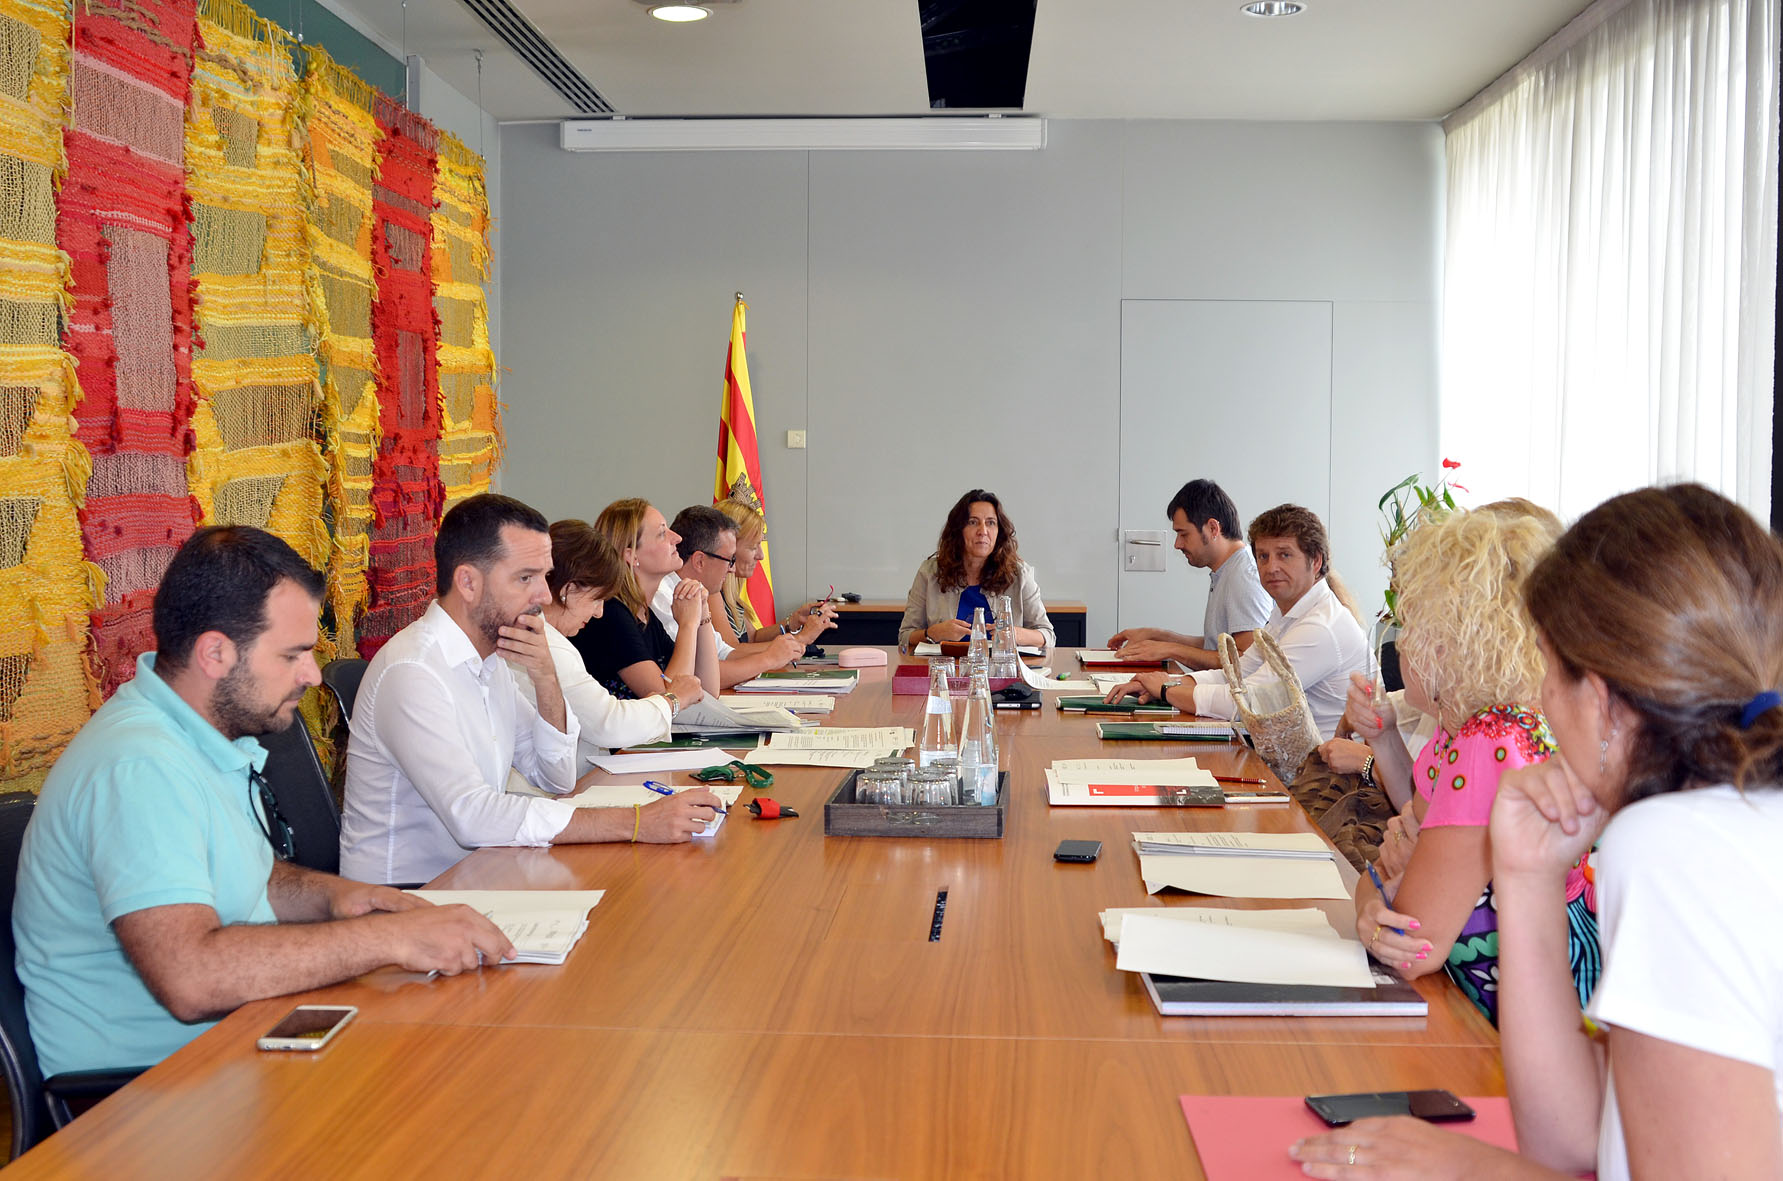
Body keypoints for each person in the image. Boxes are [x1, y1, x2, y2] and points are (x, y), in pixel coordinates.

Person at [1291, 484, 1783, 1180]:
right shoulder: (1704, 821)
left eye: (1548, 666)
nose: (1538, 696)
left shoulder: (1678, 846)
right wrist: (1524, 874)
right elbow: (1573, 1140)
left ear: (1601, 696)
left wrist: (1467, 1167)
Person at [13, 527, 515, 1077]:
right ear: (215, 653)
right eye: (293, 655)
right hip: (153, 1099)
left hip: (240, 1048)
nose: (312, 675)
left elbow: (236, 875)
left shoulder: (197, 734)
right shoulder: (139, 767)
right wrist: (386, 938)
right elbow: (191, 978)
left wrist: (344, 898)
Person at [339, 495, 720, 886]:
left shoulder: (492, 659)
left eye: (544, 575)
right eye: (525, 578)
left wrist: (546, 678)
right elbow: (472, 815)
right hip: (408, 899)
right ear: (468, 582)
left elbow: (553, 775)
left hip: (476, 877)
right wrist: (637, 821)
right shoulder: (413, 670)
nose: (542, 595)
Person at [1345, 507, 1583, 1026]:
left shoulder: (1486, 742)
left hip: (1503, 1036)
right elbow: (1390, 870)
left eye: (1410, 623)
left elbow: (1410, 943)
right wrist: (1380, 893)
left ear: (1450, 641)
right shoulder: (1510, 726)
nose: (1401, 641)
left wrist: (1377, 900)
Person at [1104, 504, 1368, 740]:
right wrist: (1166, 684)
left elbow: (1249, 702)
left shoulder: (1320, 628)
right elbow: (1238, 673)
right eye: (1263, 556)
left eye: (1284, 555)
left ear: (1316, 561)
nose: (1270, 567)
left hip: (1324, 782)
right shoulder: (1287, 615)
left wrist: (1164, 689)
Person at [511, 519, 704, 772]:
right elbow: (609, 722)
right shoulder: (548, 645)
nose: (600, 613)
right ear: (568, 589)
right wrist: (673, 700)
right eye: (597, 599)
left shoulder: (549, 637)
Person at [1105, 479, 1273, 669]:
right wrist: (1157, 636)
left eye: (1183, 534)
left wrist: (1171, 650)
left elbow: (1244, 663)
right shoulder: (1228, 570)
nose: (1177, 544)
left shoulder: (1244, 577)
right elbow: (1216, 648)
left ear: (1212, 528)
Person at [653, 505, 827, 689]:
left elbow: (725, 653)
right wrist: (769, 658)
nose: (732, 569)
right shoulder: (665, 597)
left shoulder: (694, 593)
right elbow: (699, 678)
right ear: (700, 561)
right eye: (730, 560)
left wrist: (782, 649)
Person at [572, 498, 719, 701]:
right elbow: (669, 700)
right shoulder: (611, 614)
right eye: (661, 533)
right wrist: (687, 624)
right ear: (631, 556)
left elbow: (709, 691)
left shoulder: (645, 616)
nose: (676, 538)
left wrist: (702, 616)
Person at [897, 489, 1054, 651]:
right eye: (973, 522)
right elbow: (905, 636)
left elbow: (1048, 635)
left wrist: (1017, 634)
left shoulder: (1019, 574)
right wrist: (933, 633)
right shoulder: (930, 573)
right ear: (958, 530)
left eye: (991, 523)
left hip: (1002, 670)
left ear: (999, 532)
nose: (983, 531)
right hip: (947, 670)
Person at [712, 495, 839, 647]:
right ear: (729, 548)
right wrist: (801, 639)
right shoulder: (711, 594)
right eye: (753, 547)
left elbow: (753, 638)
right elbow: (733, 654)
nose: (761, 555)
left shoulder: (730, 595)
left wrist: (793, 621)